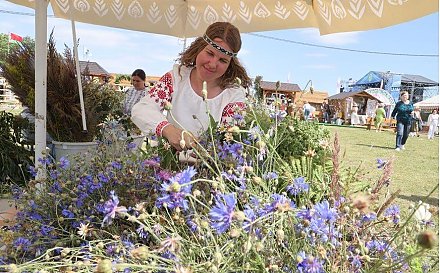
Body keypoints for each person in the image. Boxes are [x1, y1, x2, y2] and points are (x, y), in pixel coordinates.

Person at [131, 22, 251, 151]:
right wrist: (168, 130)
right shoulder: (177, 78)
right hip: (169, 162)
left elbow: (229, 139)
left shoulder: (233, 94)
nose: (212, 64)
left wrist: (207, 151)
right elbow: (141, 109)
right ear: (200, 47)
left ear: (230, 64)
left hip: (210, 167)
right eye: (210, 53)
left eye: (223, 60)